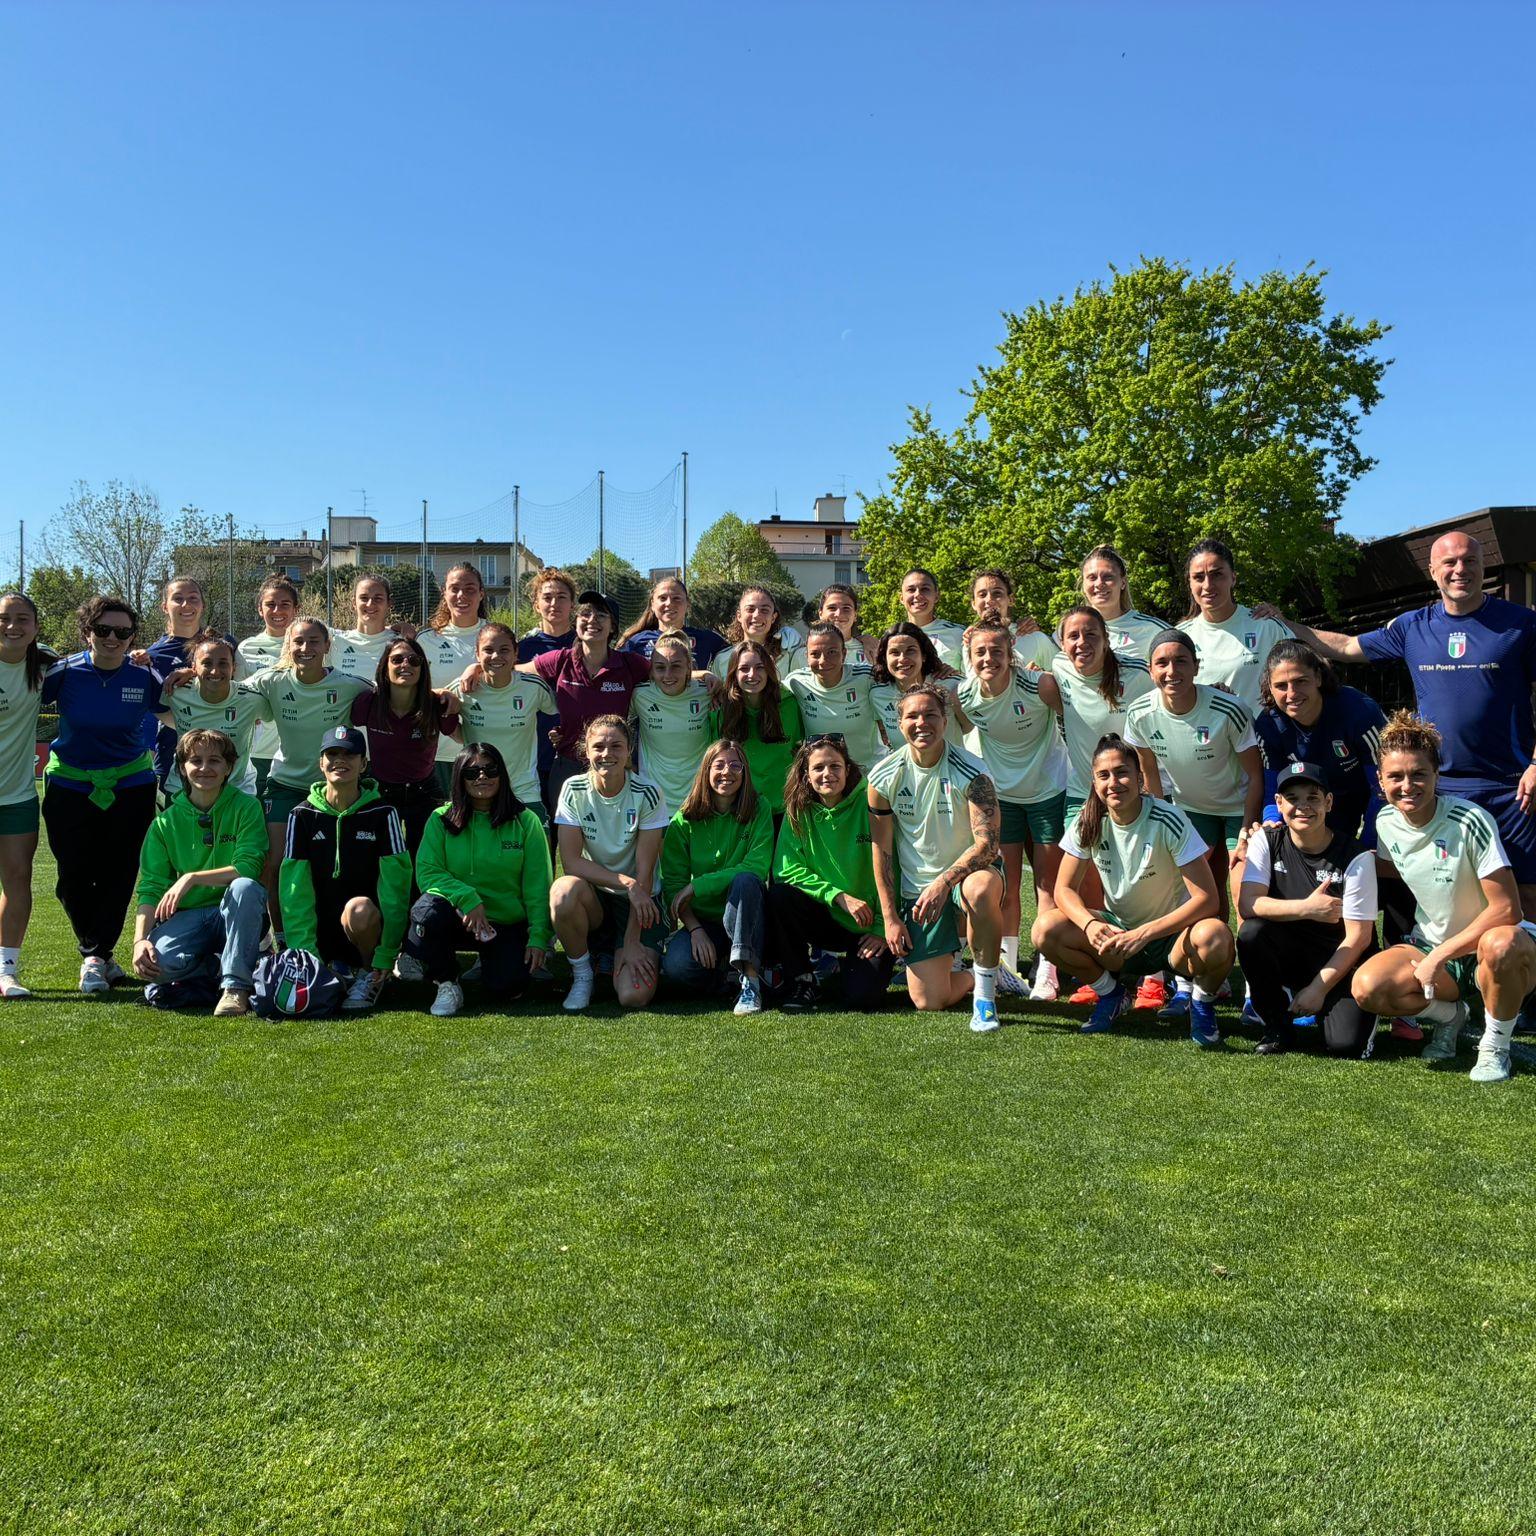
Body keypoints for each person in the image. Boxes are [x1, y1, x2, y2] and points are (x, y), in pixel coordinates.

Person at [1270, 531, 1536, 919]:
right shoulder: (1413, 627)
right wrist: (1284, 622)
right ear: (1433, 571)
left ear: (1483, 567)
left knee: (1524, 896)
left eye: (1469, 561)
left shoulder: (1521, 624)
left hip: (1510, 788)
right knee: (1440, 891)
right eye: (1449, 562)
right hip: (1435, 786)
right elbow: (1345, 647)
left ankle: (1519, 976)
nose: (1460, 569)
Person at [1350, 712, 1536, 1084]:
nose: (1408, 785)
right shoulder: (1385, 822)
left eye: (1419, 774)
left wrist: (1438, 956)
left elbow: (1507, 909)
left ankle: (1494, 1048)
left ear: (1437, 775)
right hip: (1436, 947)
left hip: (1496, 949)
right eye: (1396, 776)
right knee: (1367, 987)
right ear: (1380, 780)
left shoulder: (1470, 820)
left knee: (1501, 945)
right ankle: (1452, 1018)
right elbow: (1385, 870)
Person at [1039, 735, 1234, 1045]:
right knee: (1045, 929)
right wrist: (1090, 924)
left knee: (1216, 936)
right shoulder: (1087, 821)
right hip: (1120, 937)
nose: (1113, 782)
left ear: (1140, 777)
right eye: (1104, 775)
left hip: (1172, 939)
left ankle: (1202, 1004)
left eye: (1122, 772)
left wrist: (1144, 934)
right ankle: (1111, 994)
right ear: (1094, 781)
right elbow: (1063, 889)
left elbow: (1207, 899)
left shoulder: (1167, 818)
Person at [41, 597, 165, 994]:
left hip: (132, 786)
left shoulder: (145, 676)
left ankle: (95, 956)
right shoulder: (61, 672)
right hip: (70, 784)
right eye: (103, 630)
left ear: (133, 637)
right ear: (87, 633)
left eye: (123, 631)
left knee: (120, 872)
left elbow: (182, 708)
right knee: (72, 876)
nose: (112, 638)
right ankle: (102, 956)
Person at [867, 685, 1005, 1031]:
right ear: (898, 724)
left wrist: (944, 882)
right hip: (919, 891)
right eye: (912, 716)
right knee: (929, 1001)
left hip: (964, 878)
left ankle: (985, 998)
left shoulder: (972, 771)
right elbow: (881, 851)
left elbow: (987, 846)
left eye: (930, 715)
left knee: (980, 889)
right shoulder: (883, 777)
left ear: (945, 721)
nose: (921, 723)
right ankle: (976, 975)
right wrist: (890, 918)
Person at [230, 617, 373, 942]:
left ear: (326, 646)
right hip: (284, 785)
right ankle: (280, 939)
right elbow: (227, 690)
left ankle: (341, 936)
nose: (305, 648)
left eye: (313, 641)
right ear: (288, 646)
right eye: (298, 642)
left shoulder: (351, 685)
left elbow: (393, 694)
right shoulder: (272, 681)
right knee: (276, 863)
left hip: (330, 791)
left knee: (330, 865)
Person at [397, 742, 554, 1017]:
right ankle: (446, 981)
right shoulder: (440, 819)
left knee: (508, 988)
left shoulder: (525, 821)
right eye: (472, 772)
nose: (482, 777)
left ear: (501, 774)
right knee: (426, 912)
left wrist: (539, 936)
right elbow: (428, 872)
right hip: (457, 917)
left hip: (505, 922)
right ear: (459, 778)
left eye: (489, 769)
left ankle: (492, 962)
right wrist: (468, 898)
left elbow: (538, 885)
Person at [1234, 761, 1379, 1057]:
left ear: (1328, 802)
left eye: (1312, 798)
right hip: (1292, 952)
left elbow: (1359, 938)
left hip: (1343, 966)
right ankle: (1277, 1024)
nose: (1303, 807)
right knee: (1251, 934)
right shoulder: (1267, 839)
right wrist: (1307, 908)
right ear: (1278, 803)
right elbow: (1249, 903)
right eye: (1292, 799)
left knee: (1344, 1046)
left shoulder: (1355, 856)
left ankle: (1333, 1004)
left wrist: (1318, 989)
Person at [958, 617, 1068, 997]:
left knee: (1047, 884)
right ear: (969, 657)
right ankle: (1007, 968)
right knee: (1007, 887)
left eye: (997, 651)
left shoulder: (1040, 684)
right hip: (1002, 799)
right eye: (980, 652)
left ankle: (1047, 971)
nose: (989, 658)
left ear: (1011, 654)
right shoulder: (965, 695)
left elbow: (1074, 717)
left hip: (1048, 792)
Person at [130, 728, 267, 1016]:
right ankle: (222, 964)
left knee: (245, 887)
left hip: (233, 910)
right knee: (156, 968)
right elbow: (151, 887)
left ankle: (235, 988)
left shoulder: (247, 808)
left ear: (229, 767)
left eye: (215, 761)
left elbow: (248, 867)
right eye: (196, 760)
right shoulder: (164, 823)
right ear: (182, 767)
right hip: (189, 917)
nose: (205, 768)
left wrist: (191, 878)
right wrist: (139, 940)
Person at [279, 726, 411, 1011]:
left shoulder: (383, 813)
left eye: (350, 754)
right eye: (332, 754)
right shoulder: (301, 815)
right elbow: (294, 891)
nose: (341, 760)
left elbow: (396, 889)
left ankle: (369, 974)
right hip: (321, 930)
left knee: (359, 909)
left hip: (365, 929)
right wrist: (307, 955)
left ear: (363, 764)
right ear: (321, 763)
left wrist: (386, 954)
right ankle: (329, 968)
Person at [550, 714, 671, 1012]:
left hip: (641, 902)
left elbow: (644, 876)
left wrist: (631, 941)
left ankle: (617, 949)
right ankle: (582, 976)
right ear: (586, 751)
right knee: (563, 892)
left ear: (629, 750)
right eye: (599, 747)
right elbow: (571, 861)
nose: (607, 754)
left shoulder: (648, 792)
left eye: (616, 746)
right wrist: (624, 882)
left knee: (633, 996)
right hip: (598, 897)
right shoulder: (573, 789)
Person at [768, 734, 894, 1011]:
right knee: (780, 896)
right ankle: (803, 980)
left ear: (848, 770)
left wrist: (882, 929)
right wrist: (837, 896)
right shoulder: (798, 810)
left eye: (835, 766)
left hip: (869, 925)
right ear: (806, 774)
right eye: (818, 768)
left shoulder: (871, 804)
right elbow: (785, 871)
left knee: (862, 999)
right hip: (827, 915)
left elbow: (894, 867)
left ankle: (849, 967)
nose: (827, 774)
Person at [659, 739, 773, 1014]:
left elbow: (756, 867)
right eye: (719, 765)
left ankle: (750, 981)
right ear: (706, 771)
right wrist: (695, 930)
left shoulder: (760, 809)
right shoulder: (684, 819)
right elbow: (674, 886)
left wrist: (698, 885)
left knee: (745, 880)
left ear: (745, 773)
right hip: (704, 922)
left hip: (746, 917)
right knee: (675, 967)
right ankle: (725, 977)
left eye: (736, 765)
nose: (727, 772)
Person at [516, 589, 653, 815]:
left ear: (613, 626)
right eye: (585, 614)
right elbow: (513, 671)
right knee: (560, 833)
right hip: (567, 764)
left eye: (601, 615)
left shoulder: (629, 664)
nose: (592, 620)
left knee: (611, 834)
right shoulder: (561, 659)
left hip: (612, 764)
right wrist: (477, 668)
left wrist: (705, 676)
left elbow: (669, 674)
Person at [1254, 640, 1386, 839]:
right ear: (1270, 688)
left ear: (1318, 677)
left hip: (1365, 793)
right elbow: (1274, 788)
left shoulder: (1359, 711)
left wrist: (1370, 844)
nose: (1291, 694)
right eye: (1281, 686)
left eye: (1300, 681)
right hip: (1316, 803)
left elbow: (1382, 786)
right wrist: (1272, 822)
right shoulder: (1268, 725)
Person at [350, 635, 459, 853]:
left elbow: (454, 729)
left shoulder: (437, 705)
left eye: (414, 660)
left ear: (422, 668)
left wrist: (447, 696)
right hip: (381, 790)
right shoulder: (368, 703)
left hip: (424, 792)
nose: (405, 665)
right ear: (384, 667)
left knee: (425, 856)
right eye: (397, 660)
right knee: (378, 856)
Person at [0, 593, 52, 998]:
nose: (12, 626)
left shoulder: (46, 666)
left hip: (17, 796)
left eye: (22, 619)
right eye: (4, 618)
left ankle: (6, 970)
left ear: (35, 627)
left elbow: (95, 663)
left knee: (18, 881)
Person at [449, 622, 554, 821]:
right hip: (478, 789)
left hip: (523, 790)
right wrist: (458, 733)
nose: (496, 656)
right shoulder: (464, 686)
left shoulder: (532, 686)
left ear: (516, 653)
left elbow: (561, 710)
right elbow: (434, 701)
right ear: (477, 654)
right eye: (488, 650)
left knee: (538, 851)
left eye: (504, 650)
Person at [1176, 538, 1290, 713]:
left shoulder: (1265, 627)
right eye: (1199, 577)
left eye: (1217, 574)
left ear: (1233, 578)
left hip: (1261, 738)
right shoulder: (1179, 639)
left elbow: (1303, 676)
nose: (1207, 585)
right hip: (1205, 738)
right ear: (1189, 584)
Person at [143, 576, 234, 789]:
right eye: (178, 599)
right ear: (165, 606)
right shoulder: (152, 656)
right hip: (174, 758)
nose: (186, 605)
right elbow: (160, 711)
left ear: (202, 605)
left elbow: (240, 693)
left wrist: (193, 673)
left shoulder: (225, 646)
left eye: (193, 598)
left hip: (226, 756)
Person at [157, 634, 264, 797]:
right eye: (207, 663)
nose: (215, 671)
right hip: (183, 790)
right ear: (193, 667)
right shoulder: (175, 691)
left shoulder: (251, 699)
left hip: (236, 791)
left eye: (223, 663)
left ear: (233, 667)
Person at [709, 641, 804, 824]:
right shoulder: (721, 710)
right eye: (744, 668)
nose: (752, 675)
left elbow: (798, 749)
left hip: (784, 810)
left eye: (759, 667)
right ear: (733, 673)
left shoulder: (788, 704)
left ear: (769, 670)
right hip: (740, 809)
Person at [418, 562, 489, 794]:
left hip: (482, 752)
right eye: (454, 588)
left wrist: (478, 666)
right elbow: (411, 691)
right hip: (435, 752)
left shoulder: (495, 636)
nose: (461, 596)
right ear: (444, 593)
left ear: (481, 594)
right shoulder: (427, 640)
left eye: (470, 589)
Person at [626, 631, 713, 814]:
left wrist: (709, 676)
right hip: (653, 801)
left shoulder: (707, 693)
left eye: (676, 666)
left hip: (698, 798)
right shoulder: (640, 695)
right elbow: (618, 725)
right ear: (651, 669)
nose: (668, 675)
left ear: (689, 667)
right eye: (660, 667)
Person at [517, 566, 578, 812]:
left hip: (576, 754)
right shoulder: (522, 648)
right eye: (547, 597)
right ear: (536, 604)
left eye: (562, 597)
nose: (554, 603)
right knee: (540, 831)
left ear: (572, 604)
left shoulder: (586, 645)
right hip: (534, 751)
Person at [781, 622, 882, 767]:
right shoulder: (797, 682)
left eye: (832, 652)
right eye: (815, 654)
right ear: (806, 656)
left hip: (868, 773)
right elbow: (768, 692)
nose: (823, 661)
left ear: (844, 653)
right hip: (825, 777)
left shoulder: (866, 676)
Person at [237, 574, 300, 799]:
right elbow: (237, 696)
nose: (277, 611)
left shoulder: (311, 645)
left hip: (297, 754)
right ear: (260, 609)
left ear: (295, 609)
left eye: (285, 604)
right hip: (257, 754)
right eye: (270, 604)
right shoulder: (246, 648)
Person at [869, 623, 967, 750]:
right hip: (907, 769)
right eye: (894, 652)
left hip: (953, 766)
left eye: (911, 651)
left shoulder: (951, 684)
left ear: (924, 655)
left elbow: (968, 727)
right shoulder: (878, 694)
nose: (902, 659)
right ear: (885, 658)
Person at [1075, 545, 1168, 659]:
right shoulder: (1067, 633)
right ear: (1083, 584)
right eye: (1092, 577)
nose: (1099, 583)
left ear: (1123, 582)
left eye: (1108, 577)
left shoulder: (1153, 630)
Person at [619, 575, 728, 667]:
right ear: (652, 604)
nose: (669, 603)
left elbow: (739, 659)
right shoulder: (636, 642)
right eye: (662, 598)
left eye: (676, 598)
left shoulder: (707, 639)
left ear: (688, 604)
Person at [331, 572, 415, 683]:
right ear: (353, 603)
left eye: (378, 599)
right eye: (364, 598)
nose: (370, 604)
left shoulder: (401, 642)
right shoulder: (334, 640)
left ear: (389, 603)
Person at [969, 568, 1056, 671]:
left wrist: (1038, 678)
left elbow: (1066, 674)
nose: (989, 600)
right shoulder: (966, 644)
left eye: (997, 593)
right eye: (982, 595)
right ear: (974, 604)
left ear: (1011, 600)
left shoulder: (1035, 638)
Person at [712, 586, 798, 678]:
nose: (757, 615)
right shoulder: (722, 660)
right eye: (750, 609)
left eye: (764, 610)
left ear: (773, 617)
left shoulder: (788, 652)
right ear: (739, 616)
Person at [897, 568, 968, 669]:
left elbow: (972, 678)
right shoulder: (892, 638)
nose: (917, 594)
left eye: (925, 589)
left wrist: (954, 676)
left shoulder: (959, 634)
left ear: (937, 596)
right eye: (911, 590)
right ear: (901, 598)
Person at [812, 583, 877, 668]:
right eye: (832, 608)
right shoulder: (803, 653)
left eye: (846, 608)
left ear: (855, 615)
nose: (838, 614)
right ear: (820, 614)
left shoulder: (872, 651)